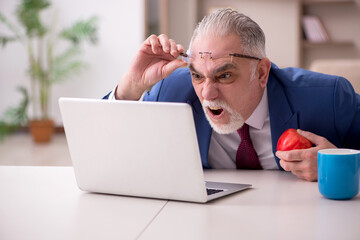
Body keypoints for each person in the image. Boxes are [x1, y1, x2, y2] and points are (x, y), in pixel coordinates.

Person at [104, 8, 360, 181]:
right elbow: (109, 154)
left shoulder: (329, 98)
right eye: (197, 76)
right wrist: (129, 88)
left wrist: (340, 167)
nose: (207, 93)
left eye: (224, 76)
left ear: (261, 73)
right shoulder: (172, 91)